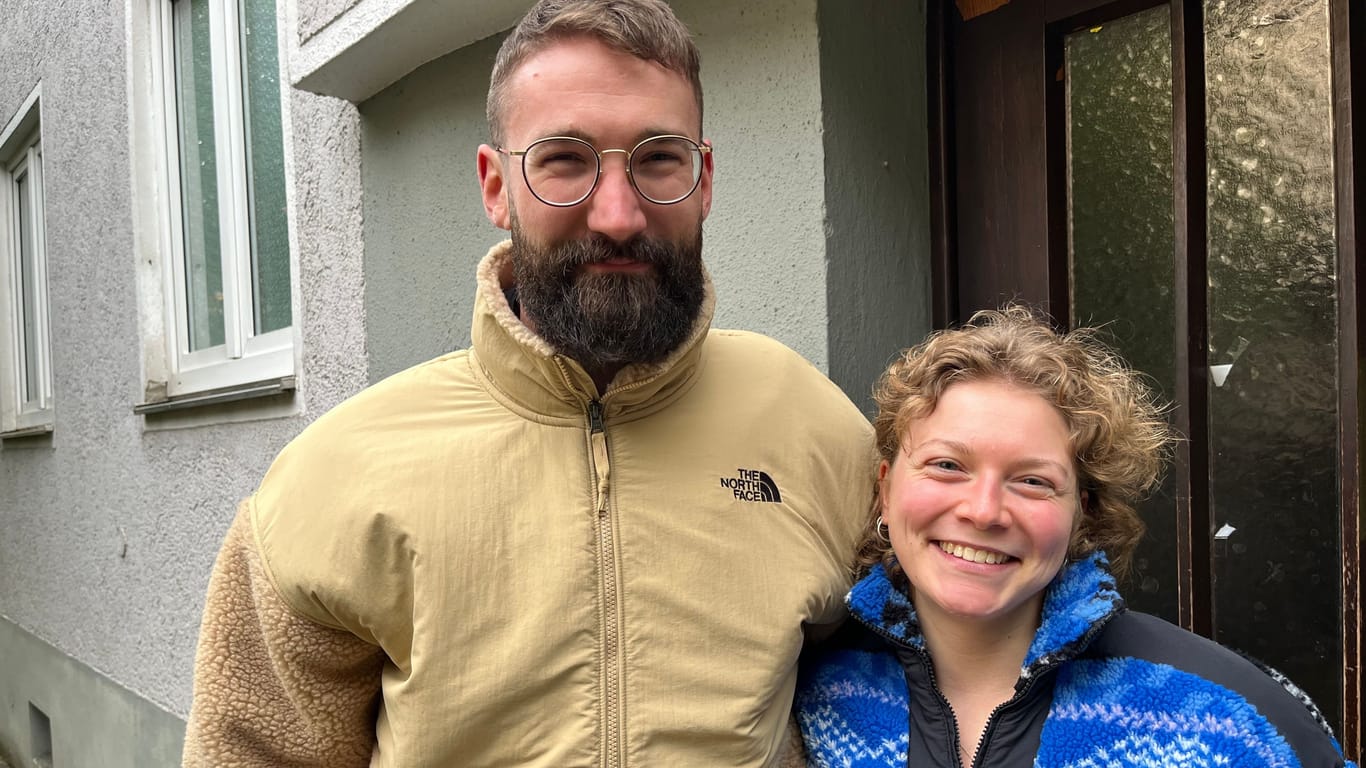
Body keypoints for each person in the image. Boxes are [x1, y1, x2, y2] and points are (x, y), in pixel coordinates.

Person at [180, 1, 875, 766]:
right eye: (565, 161)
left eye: (658, 159)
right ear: (495, 187)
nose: (616, 213)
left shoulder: (816, 427)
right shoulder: (332, 476)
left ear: (704, 179)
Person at [794, 306, 1357, 768]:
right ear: (886, 491)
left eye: (1033, 480)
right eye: (947, 465)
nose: (984, 510)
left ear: (1081, 513)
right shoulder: (805, 691)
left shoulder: (1230, 717)